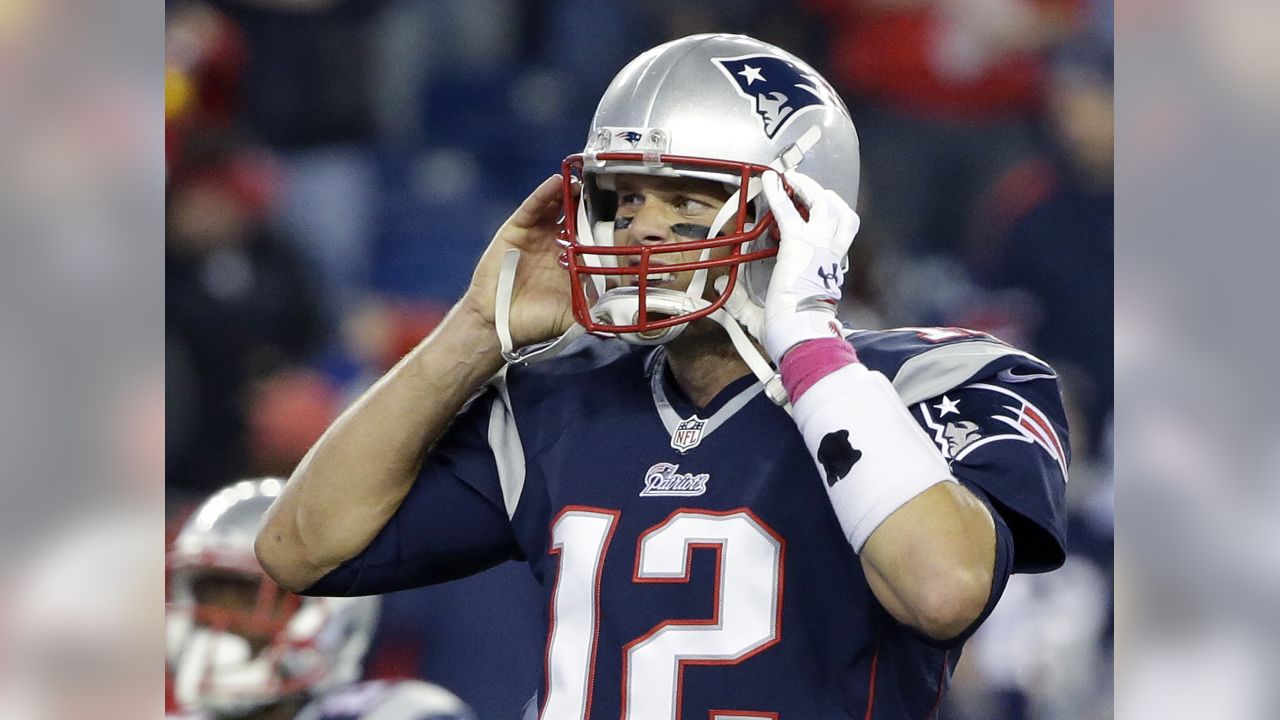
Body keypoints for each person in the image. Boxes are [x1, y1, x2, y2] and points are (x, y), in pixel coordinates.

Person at [256, 34, 1069, 718]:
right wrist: (474, 329)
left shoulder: (943, 380)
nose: (640, 231)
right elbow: (300, 549)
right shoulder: (562, 398)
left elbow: (944, 588)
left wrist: (811, 346)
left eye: (684, 202)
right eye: (622, 200)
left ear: (802, 214)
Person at [167, 478, 475, 720]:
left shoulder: (397, 714)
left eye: (247, 598)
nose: (219, 617)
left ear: (328, 612)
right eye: (206, 595)